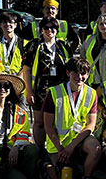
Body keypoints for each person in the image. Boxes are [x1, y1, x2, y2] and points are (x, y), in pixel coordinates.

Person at [42, 58, 101, 179]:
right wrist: (61, 148)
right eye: (75, 73)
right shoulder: (54, 92)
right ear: (68, 72)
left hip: (78, 139)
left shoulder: (92, 93)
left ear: (88, 74)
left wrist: (72, 146)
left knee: (96, 148)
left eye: (83, 73)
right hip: (59, 143)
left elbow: (91, 125)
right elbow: (48, 125)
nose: (79, 77)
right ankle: (46, 165)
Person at [22, 17, 71, 156]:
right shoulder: (34, 45)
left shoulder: (62, 46)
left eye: (53, 28)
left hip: (60, 90)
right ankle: (40, 152)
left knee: (56, 122)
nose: (50, 30)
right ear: (41, 29)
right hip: (40, 90)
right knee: (39, 122)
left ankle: (55, 150)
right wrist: (29, 91)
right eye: (46, 28)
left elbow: (70, 66)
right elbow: (26, 68)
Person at [0, 12, 26, 76]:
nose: (7, 24)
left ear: (15, 25)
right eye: (4, 22)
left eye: (10, 22)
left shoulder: (24, 43)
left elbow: (27, 64)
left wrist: (20, 78)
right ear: (0, 25)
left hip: (18, 79)